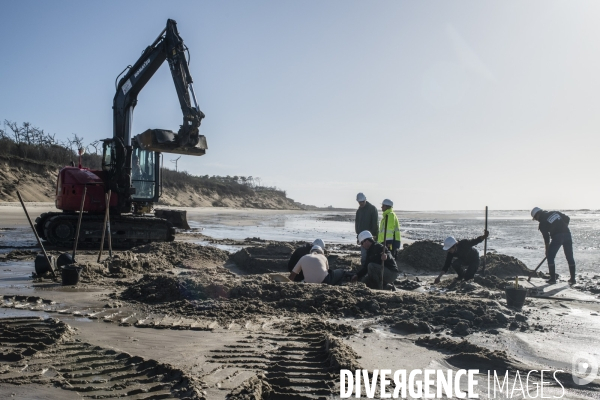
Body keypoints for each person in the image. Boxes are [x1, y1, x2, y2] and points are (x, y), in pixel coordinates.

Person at [531, 207, 576, 285]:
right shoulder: (554, 213)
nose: (536, 220)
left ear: (537, 215)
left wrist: (547, 250)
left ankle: (552, 279)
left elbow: (546, 238)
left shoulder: (542, 223)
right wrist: (563, 228)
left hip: (557, 237)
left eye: (535, 218)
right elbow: (567, 218)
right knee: (570, 257)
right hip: (567, 235)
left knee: (550, 256)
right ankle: (573, 279)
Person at [355, 193, 379, 265]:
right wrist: (358, 236)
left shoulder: (372, 209)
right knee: (364, 256)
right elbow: (357, 224)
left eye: (362, 201)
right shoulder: (359, 211)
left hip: (370, 237)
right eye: (360, 202)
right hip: (362, 237)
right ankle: (364, 271)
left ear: (365, 200)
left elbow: (375, 223)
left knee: (372, 255)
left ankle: (371, 271)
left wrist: (374, 235)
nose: (361, 203)